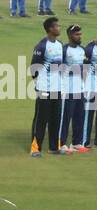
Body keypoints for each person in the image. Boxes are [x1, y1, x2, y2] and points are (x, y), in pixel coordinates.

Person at [29, 16, 64, 157]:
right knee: (41, 118)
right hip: (44, 88)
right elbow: (33, 68)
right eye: (57, 26)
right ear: (50, 28)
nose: (59, 28)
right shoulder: (42, 46)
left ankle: (54, 147)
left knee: (55, 118)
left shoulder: (60, 44)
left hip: (57, 88)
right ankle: (35, 148)